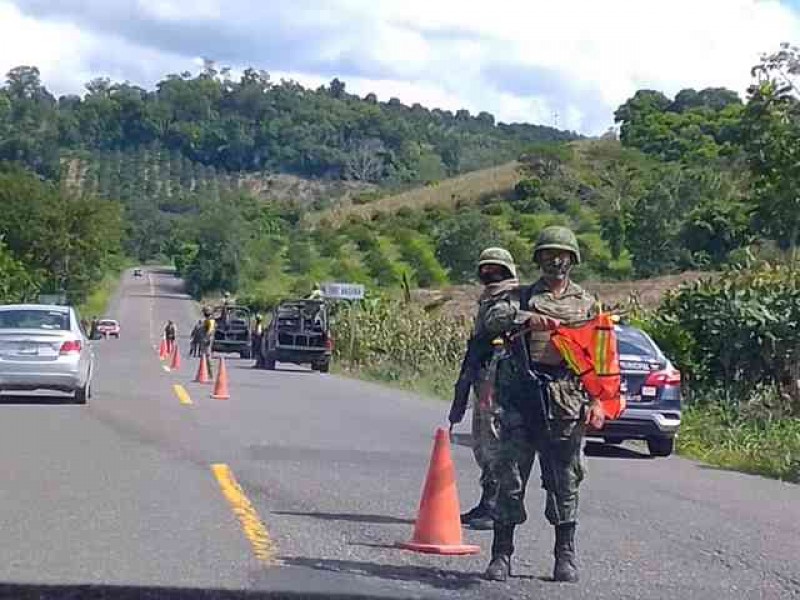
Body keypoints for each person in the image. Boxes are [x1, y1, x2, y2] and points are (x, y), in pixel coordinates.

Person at [481, 226, 606, 584]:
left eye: (562, 255)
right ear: (538, 259)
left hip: (565, 402)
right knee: (510, 479)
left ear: (573, 260)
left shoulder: (586, 304)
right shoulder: (520, 298)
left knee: (565, 482)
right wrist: (527, 319)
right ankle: (501, 555)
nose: (555, 261)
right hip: (521, 397)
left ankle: (564, 557)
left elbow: (599, 357)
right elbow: (491, 320)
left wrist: (598, 400)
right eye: (548, 254)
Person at [448, 247, 519, 531]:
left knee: (493, 443)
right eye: (486, 268)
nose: (490, 273)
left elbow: (495, 324)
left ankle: (496, 506)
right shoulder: (490, 297)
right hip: (483, 375)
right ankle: (487, 500)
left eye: (496, 269)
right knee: (481, 443)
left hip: (499, 379)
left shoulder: (512, 297)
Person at [199, 307, 216, 377]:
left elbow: (210, 331)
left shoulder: (210, 321)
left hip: (207, 340)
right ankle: (206, 372)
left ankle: (210, 373)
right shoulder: (207, 320)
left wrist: (206, 338)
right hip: (205, 340)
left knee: (207, 356)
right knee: (204, 356)